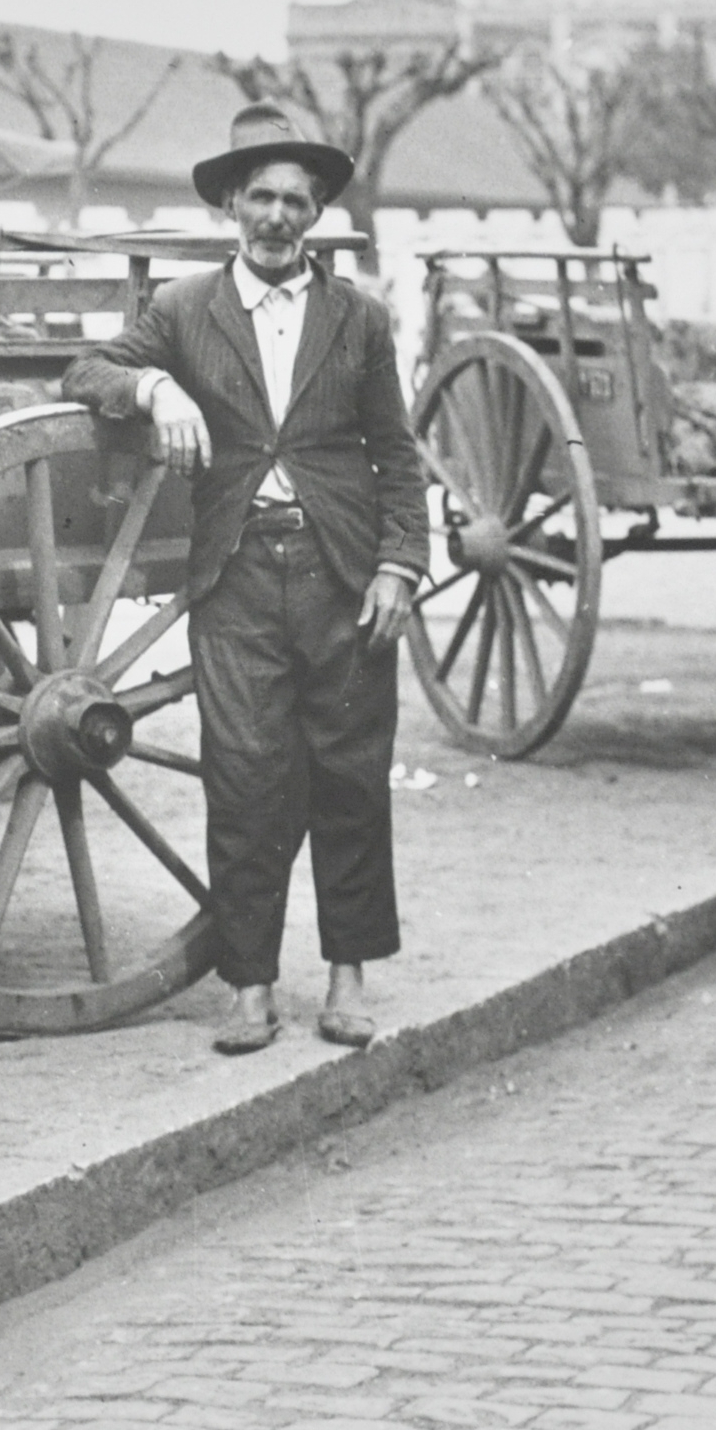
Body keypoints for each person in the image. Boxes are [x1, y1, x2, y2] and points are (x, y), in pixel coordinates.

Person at [60, 102, 432, 1055]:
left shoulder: (358, 317)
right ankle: (251, 983)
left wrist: (399, 564)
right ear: (231, 203)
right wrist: (155, 387)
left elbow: (395, 453)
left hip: (341, 574)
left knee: (349, 777)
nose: (276, 216)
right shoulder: (186, 311)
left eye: (295, 202)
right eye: (260, 197)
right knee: (246, 778)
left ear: (314, 214)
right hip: (232, 576)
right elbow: (86, 368)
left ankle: (347, 979)